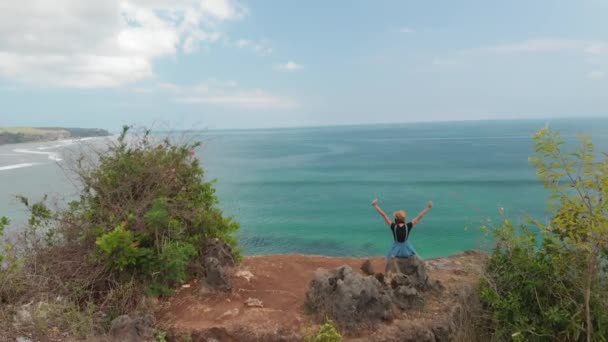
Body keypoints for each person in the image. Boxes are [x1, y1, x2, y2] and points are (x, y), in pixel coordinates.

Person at [371, 198, 433, 264]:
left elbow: (384, 215)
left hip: (395, 248)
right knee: (415, 258)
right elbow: (420, 216)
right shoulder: (408, 226)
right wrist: (428, 207)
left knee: (390, 260)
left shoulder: (393, 226)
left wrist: (375, 205)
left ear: (396, 219)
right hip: (407, 248)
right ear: (404, 218)